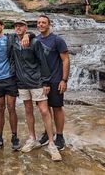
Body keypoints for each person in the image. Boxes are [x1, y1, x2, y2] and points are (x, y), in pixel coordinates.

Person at [10, 20, 62, 161]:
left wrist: (45, 82)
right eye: (16, 26)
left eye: (21, 26)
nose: (18, 28)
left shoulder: (35, 42)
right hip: (21, 83)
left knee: (44, 111)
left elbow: (42, 62)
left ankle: (51, 143)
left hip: (37, 81)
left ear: (26, 28)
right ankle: (32, 138)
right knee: (27, 110)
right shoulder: (13, 41)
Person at [35, 15, 70, 151]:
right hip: (41, 82)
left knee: (57, 108)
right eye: (39, 23)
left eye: (44, 22)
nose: (41, 24)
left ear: (49, 24)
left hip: (56, 80)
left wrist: (64, 80)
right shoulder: (35, 40)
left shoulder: (57, 40)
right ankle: (48, 132)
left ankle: (60, 136)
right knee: (44, 109)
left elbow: (65, 60)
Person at [0, 19, 22, 151]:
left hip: (10, 78)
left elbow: (26, 34)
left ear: (2, 26)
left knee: (11, 107)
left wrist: (29, 35)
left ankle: (14, 136)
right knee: (0, 108)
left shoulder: (10, 38)